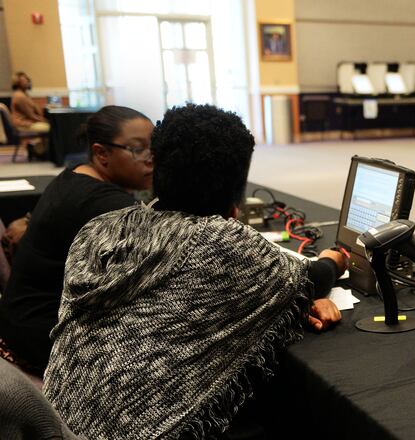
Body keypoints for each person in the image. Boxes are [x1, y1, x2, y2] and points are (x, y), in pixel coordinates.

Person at [43, 104, 348, 439]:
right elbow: (308, 280)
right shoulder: (222, 243)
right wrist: (335, 259)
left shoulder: (100, 230)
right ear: (237, 185)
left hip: (56, 421)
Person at [0, 105, 154, 376]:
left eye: (154, 148)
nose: (151, 159)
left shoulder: (76, 174)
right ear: (101, 153)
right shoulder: (105, 203)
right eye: (137, 149)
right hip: (45, 337)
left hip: (19, 322)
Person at [10, 72, 50, 159]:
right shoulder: (20, 96)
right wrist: (46, 120)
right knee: (51, 127)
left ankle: (39, 149)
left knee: (50, 125)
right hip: (23, 124)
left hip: (27, 122)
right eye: (24, 81)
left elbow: (34, 111)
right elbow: (31, 115)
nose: (27, 82)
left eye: (27, 80)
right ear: (17, 83)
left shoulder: (24, 94)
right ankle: (40, 151)